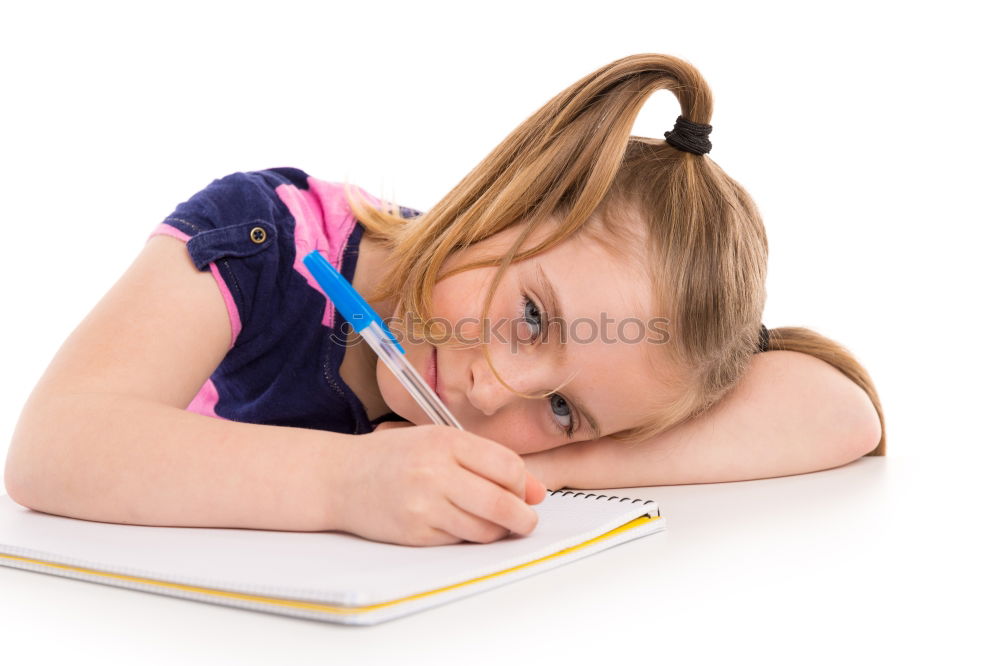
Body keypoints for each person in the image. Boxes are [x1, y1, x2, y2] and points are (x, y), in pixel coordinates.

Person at [3, 53, 885, 547]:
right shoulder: (264, 240)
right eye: (533, 316)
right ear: (510, 196)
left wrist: (543, 469)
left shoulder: (605, 373)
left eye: (566, 410)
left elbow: (840, 413)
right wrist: (349, 484)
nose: (493, 391)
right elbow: (55, 446)